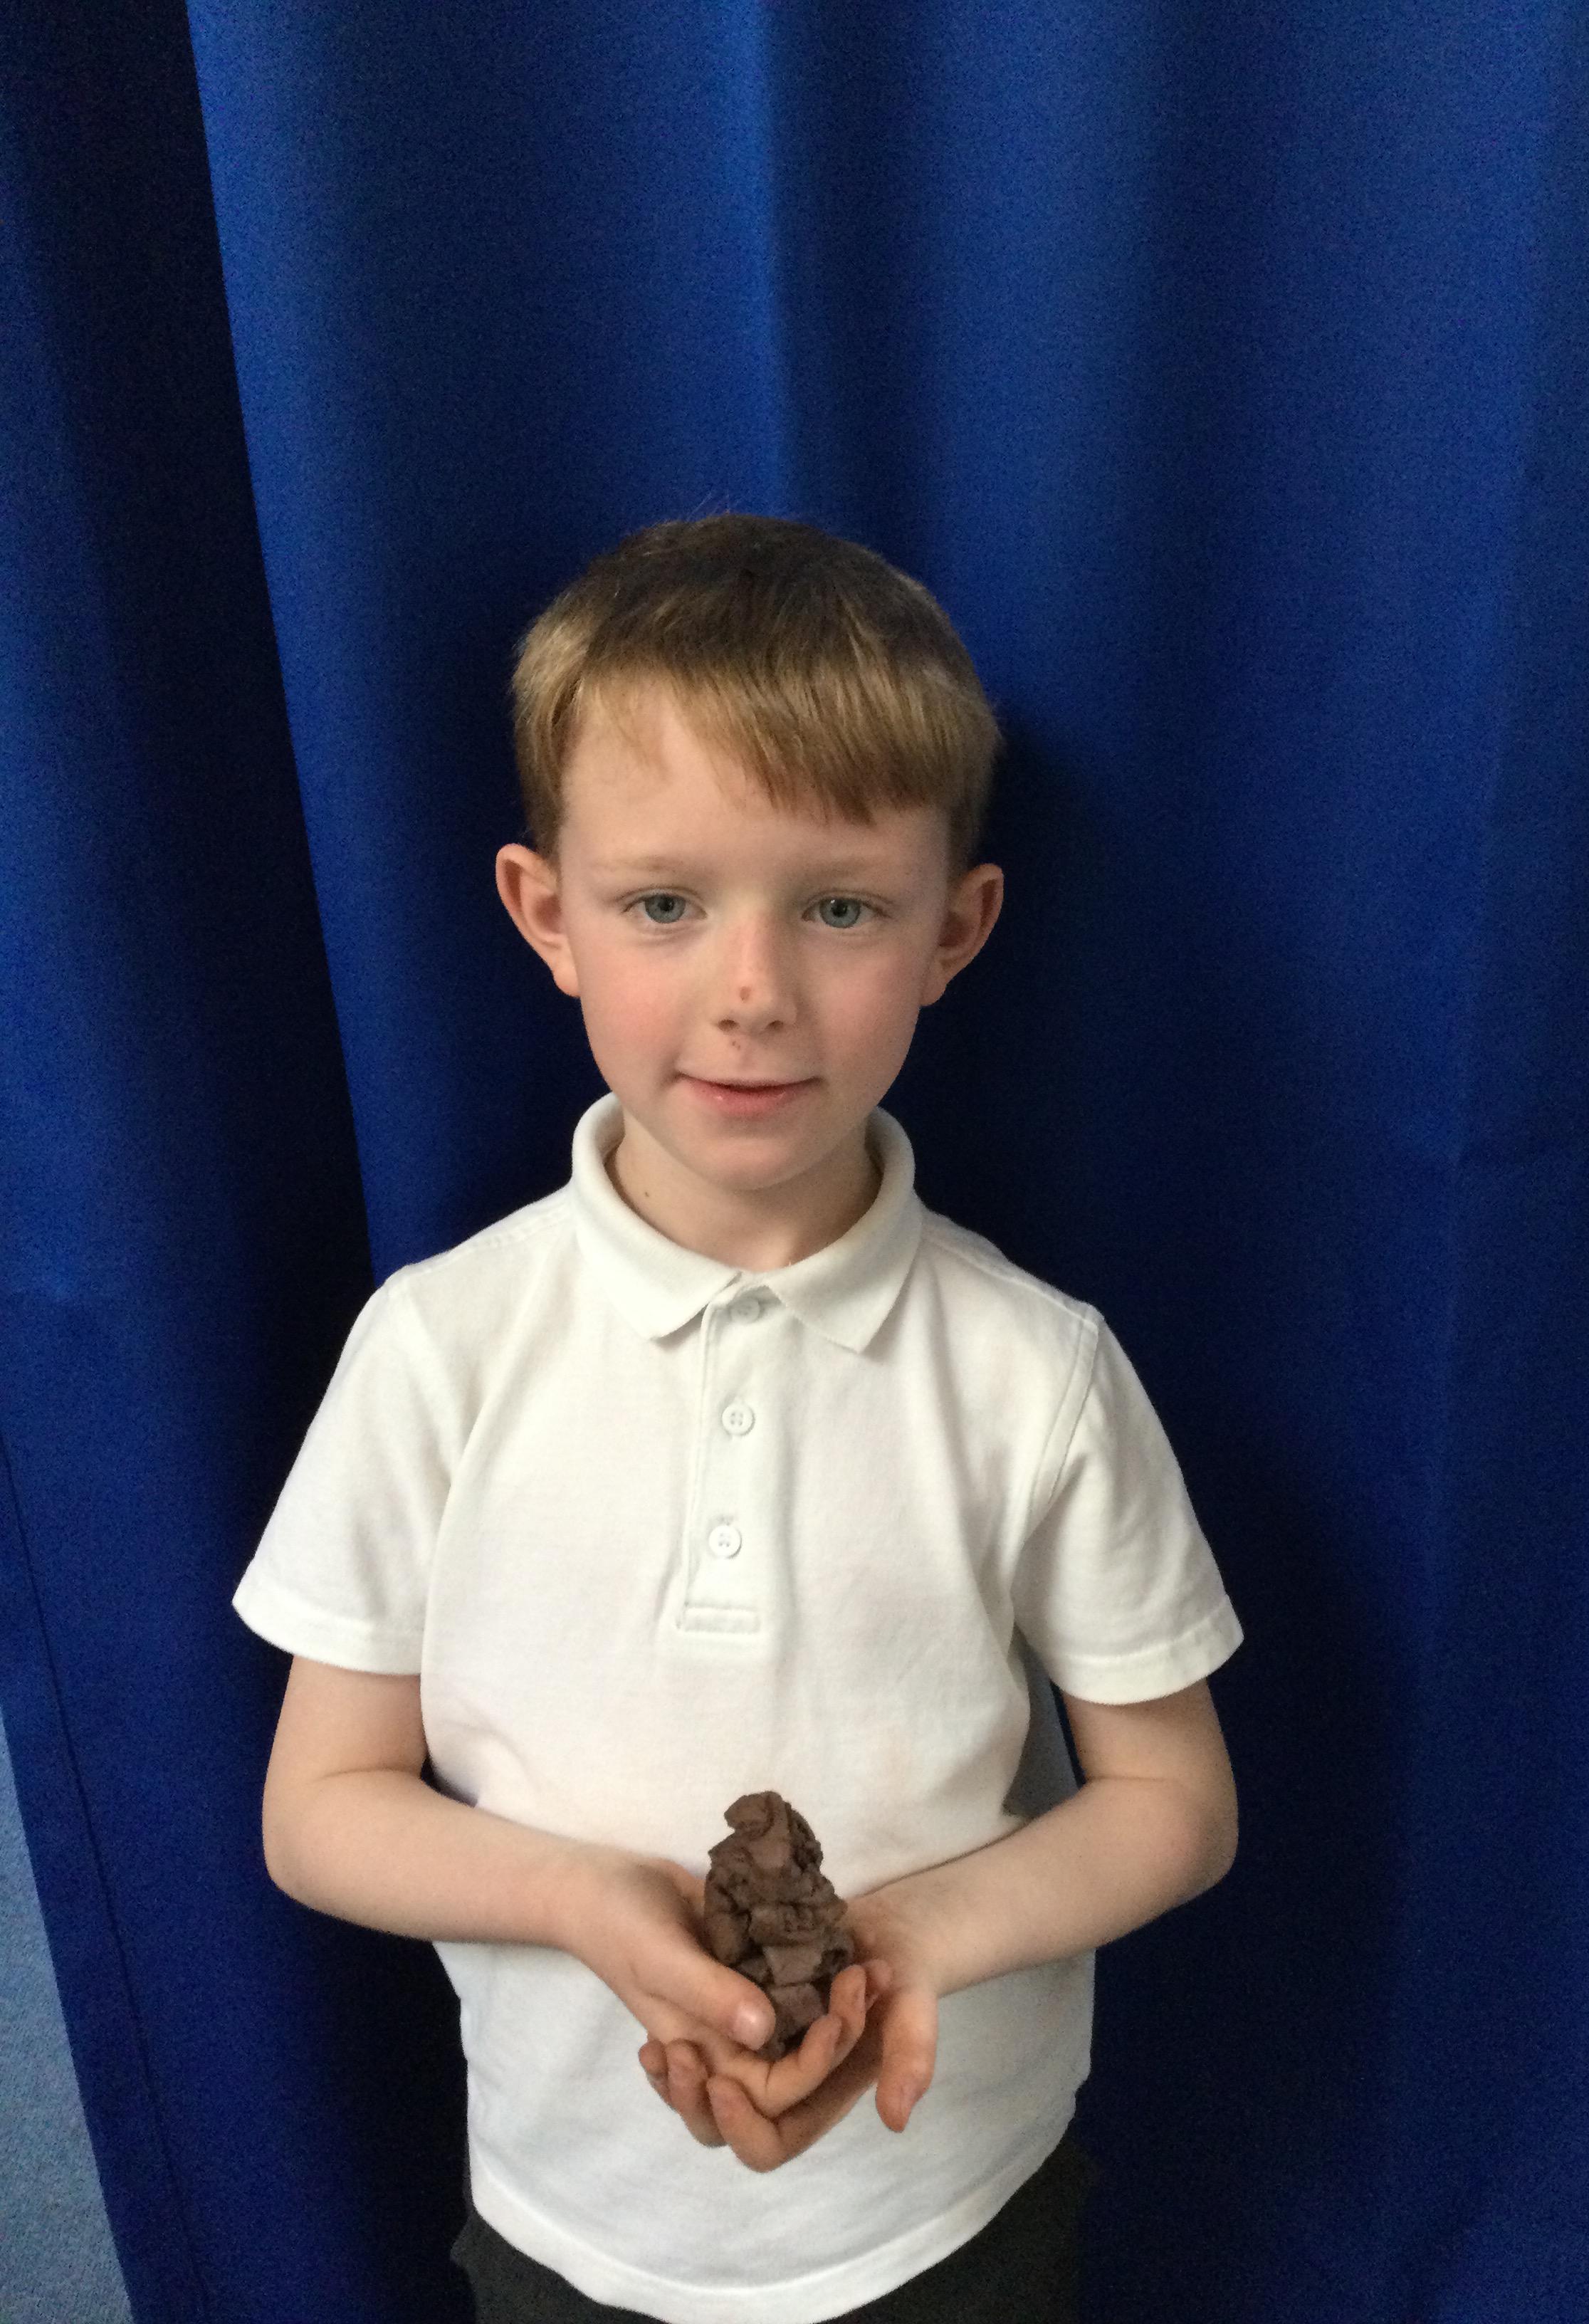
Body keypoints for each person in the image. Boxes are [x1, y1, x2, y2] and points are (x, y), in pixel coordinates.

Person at [234, 514, 1243, 2324]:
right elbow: (321, 1808)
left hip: (958, 2207)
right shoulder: (437, 1348)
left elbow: (1174, 1801)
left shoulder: (1041, 1370)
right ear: (548, 915)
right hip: (572, 2215)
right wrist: (581, 1900)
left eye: (841, 906)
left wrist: (918, 1936)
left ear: (954, 930)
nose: (755, 989)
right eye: (665, 904)